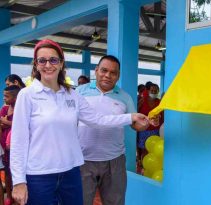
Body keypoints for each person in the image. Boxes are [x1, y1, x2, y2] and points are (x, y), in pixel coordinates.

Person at [10, 39, 150, 205]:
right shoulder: (27, 95)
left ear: (61, 63)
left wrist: (131, 117)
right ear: (36, 64)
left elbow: (97, 120)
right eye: (42, 60)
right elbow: (19, 141)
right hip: (39, 175)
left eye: (53, 60)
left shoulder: (72, 95)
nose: (48, 65)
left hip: (71, 172)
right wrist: (19, 180)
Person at [76, 55, 149, 205]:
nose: (107, 75)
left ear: (118, 76)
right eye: (104, 70)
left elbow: (134, 123)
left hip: (114, 162)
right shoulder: (78, 92)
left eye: (113, 72)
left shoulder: (125, 97)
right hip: (82, 160)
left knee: (115, 202)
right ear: (96, 71)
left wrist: (144, 124)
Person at [0, 85, 20, 205]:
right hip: (5, 147)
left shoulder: (21, 109)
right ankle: (9, 196)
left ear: (16, 98)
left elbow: (21, 125)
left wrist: (5, 122)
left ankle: (19, 198)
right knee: (7, 173)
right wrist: (9, 123)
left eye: (6, 96)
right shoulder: (5, 108)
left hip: (16, 147)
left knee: (17, 172)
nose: (4, 98)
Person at [137, 83, 163, 173]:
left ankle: (152, 167)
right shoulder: (142, 101)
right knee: (144, 149)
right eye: (152, 90)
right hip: (144, 130)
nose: (154, 92)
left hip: (156, 130)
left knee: (153, 151)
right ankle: (144, 167)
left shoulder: (159, 102)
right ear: (148, 91)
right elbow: (136, 113)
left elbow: (162, 116)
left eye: (156, 91)